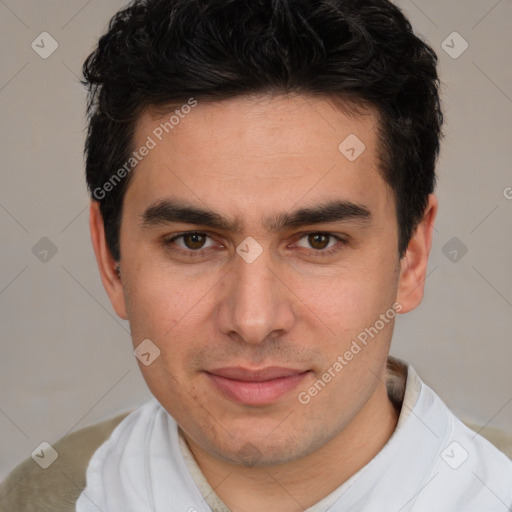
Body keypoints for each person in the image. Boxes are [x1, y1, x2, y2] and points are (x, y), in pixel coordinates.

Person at [1, 0, 511, 511]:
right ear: (112, 260)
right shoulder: (37, 498)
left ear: (412, 258)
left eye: (318, 240)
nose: (252, 320)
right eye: (193, 241)